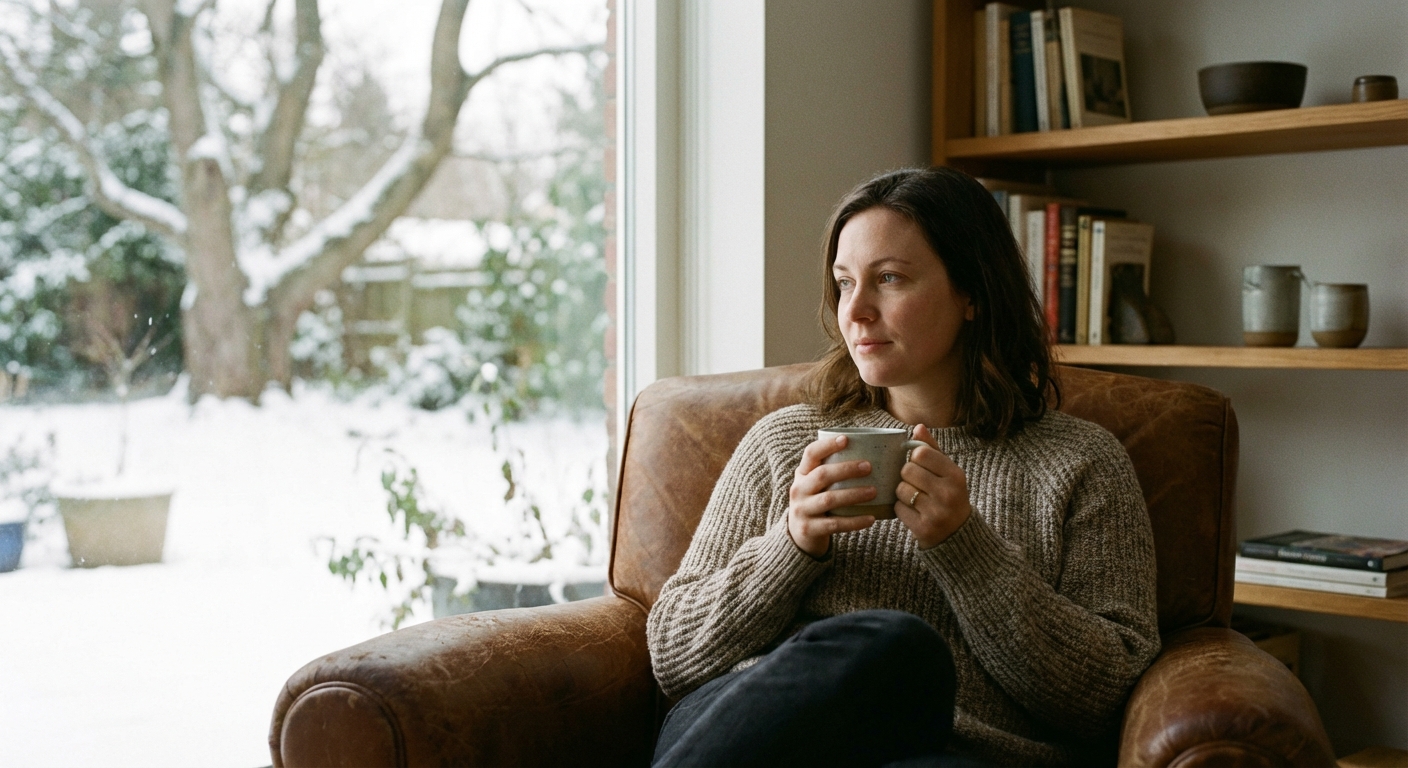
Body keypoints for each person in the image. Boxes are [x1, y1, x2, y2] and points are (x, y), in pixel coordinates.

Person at [645, 167, 1162, 767]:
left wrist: (965, 547)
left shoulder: (1079, 462)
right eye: (844, 284)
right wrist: (791, 544)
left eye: (888, 279)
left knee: (903, 658)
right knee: (885, 645)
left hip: (952, 754)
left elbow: (1104, 695)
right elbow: (674, 655)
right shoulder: (784, 443)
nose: (856, 311)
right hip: (752, 734)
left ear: (971, 293)